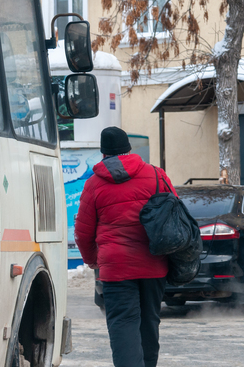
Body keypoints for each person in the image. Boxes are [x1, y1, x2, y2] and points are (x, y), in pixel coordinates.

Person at [75, 126, 175, 367]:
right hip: (154, 263)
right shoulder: (157, 175)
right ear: (129, 149)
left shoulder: (94, 185)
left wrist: (92, 259)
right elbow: (175, 213)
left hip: (116, 268)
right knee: (149, 321)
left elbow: (82, 232)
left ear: (103, 153)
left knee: (122, 323)